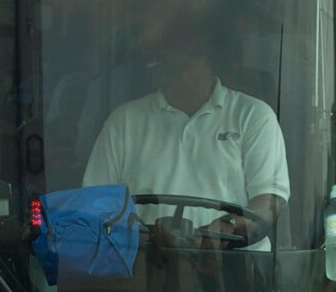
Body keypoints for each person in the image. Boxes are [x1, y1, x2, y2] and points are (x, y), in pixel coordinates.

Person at [81, 22, 289, 250]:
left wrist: (226, 227)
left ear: (199, 45)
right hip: (144, 270)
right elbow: (96, 207)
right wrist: (145, 238)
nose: (150, 53)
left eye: (163, 43)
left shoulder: (253, 116)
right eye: (147, 46)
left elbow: (268, 205)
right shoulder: (123, 121)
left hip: (234, 271)